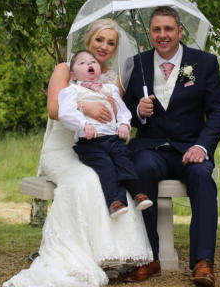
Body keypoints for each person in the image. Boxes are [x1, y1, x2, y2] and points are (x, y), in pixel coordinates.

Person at [4, 18, 152, 287]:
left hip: (95, 145)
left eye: (111, 43)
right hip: (62, 148)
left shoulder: (113, 78)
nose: (104, 46)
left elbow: (115, 113)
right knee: (83, 181)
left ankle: (109, 254)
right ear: (88, 39)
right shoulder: (65, 68)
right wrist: (87, 108)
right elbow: (53, 109)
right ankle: (73, 254)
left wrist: (121, 122)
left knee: (111, 176)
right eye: (99, 40)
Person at [122, 6, 220, 287]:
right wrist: (138, 111)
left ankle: (203, 262)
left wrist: (203, 148)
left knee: (202, 178)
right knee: (141, 169)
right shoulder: (137, 64)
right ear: (150, 33)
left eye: (168, 29)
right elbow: (122, 113)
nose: (162, 35)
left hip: (190, 148)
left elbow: (218, 112)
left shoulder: (203, 62)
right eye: (156, 29)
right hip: (151, 148)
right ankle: (149, 257)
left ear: (180, 31)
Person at [59, 50, 153, 218]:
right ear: (73, 74)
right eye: (82, 63)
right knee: (106, 166)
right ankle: (115, 202)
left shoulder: (110, 89)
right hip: (90, 142)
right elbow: (65, 113)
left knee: (124, 159)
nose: (89, 64)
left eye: (93, 62)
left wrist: (123, 123)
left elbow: (123, 111)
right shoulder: (72, 91)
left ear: (99, 70)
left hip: (113, 138)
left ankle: (137, 193)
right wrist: (83, 123)